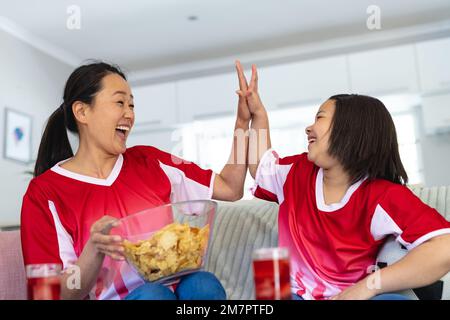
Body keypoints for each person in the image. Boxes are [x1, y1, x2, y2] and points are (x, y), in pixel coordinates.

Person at [21, 61, 252, 300]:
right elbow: (47, 295)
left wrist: (245, 124)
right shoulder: (44, 193)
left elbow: (231, 188)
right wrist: (94, 249)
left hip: (172, 289)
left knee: (202, 284)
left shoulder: (150, 161)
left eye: (131, 104)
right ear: (82, 112)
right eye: (120, 102)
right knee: (154, 296)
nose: (130, 114)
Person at [234, 61, 450, 300]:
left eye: (319, 118)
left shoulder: (383, 196)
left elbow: (444, 247)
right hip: (289, 292)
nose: (308, 128)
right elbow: (260, 165)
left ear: (349, 131)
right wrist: (258, 115)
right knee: (269, 273)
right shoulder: (297, 171)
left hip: (350, 295)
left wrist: (367, 287)